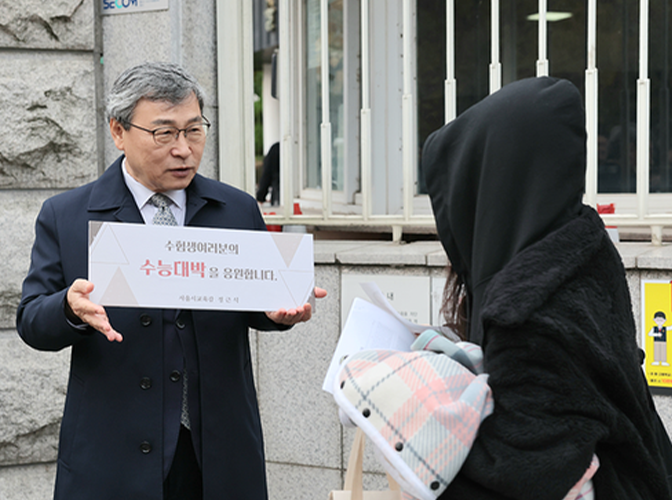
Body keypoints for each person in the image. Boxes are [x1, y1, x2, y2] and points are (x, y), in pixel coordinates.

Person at [16, 61, 325, 500]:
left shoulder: (236, 210)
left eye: (194, 130)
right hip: (112, 455)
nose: (183, 149)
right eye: (164, 133)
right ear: (119, 131)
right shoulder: (67, 215)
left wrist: (278, 312)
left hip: (217, 452)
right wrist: (68, 307)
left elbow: (255, 301)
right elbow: (31, 320)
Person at [421, 77, 672, 499]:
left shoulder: (528, 311)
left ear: (489, 182)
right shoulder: (581, 252)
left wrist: (408, 416)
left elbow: (524, 474)